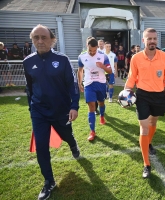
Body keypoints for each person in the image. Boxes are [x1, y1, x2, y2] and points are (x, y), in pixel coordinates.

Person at [23, 24, 80, 200]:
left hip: (60, 109)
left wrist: (74, 106)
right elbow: (29, 87)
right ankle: (49, 182)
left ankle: (73, 144)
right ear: (32, 40)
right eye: (36, 38)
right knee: (41, 147)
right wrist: (31, 107)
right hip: (39, 111)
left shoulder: (62, 60)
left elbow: (72, 85)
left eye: (44, 37)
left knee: (66, 135)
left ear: (52, 40)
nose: (40, 41)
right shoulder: (28, 62)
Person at [124, 28, 165, 178]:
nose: (152, 41)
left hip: (159, 96)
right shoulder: (136, 58)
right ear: (143, 40)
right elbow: (132, 77)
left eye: (154, 38)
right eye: (149, 38)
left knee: (153, 123)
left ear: (157, 40)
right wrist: (126, 92)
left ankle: (148, 143)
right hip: (142, 95)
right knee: (144, 129)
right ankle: (146, 164)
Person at [77, 38, 112, 141]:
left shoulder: (103, 56)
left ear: (97, 47)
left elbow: (110, 71)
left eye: (94, 50)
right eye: (90, 50)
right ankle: (92, 131)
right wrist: (79, 83)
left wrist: (103, 66)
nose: (92, 52)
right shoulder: (82, 57)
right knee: (91, 106)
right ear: (87, 46)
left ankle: (102, 116)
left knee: (101, 102)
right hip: (89, 84)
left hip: (101, 83)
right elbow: (80, 71)